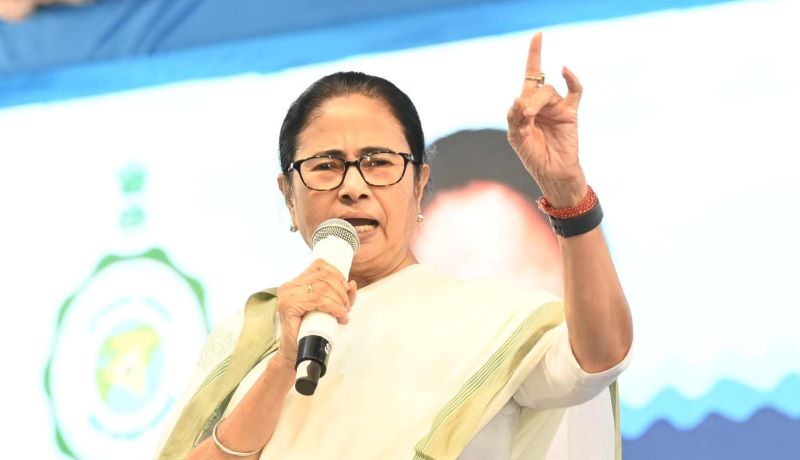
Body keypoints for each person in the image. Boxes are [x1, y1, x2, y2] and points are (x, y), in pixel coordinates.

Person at [158, 32, 633, 459]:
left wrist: (568, 193)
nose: (353, 187)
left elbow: (597, 359)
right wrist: (283, 362)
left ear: (419, 185)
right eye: (325, 166)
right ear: (288, 196)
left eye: (379, 163)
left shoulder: (490, 322)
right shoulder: (252, 333)